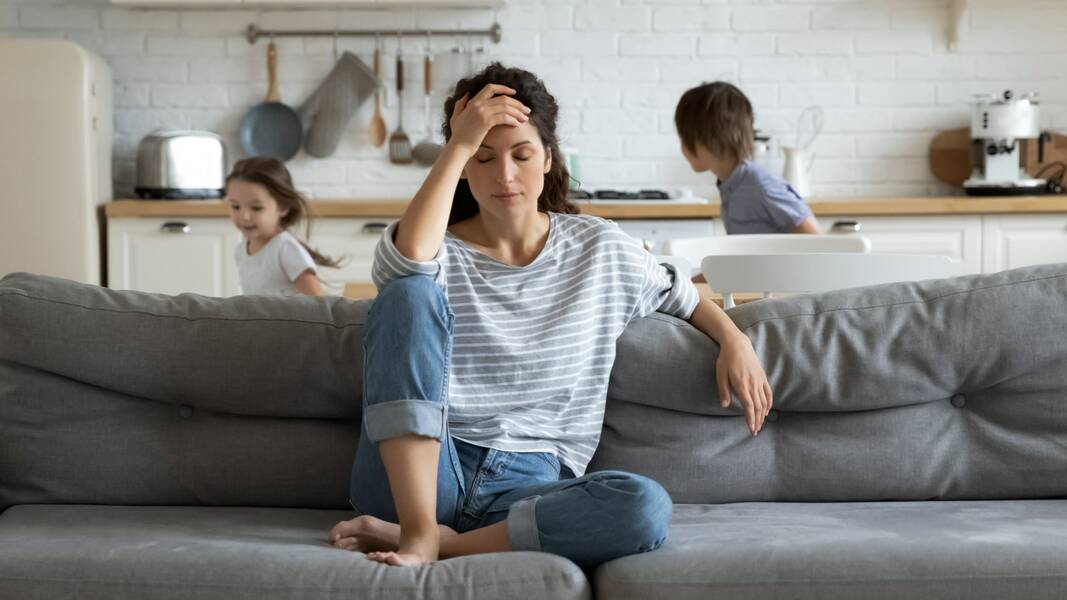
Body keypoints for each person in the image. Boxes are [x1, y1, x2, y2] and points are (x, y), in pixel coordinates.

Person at [328, 64, 773, 569]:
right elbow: (406, 263)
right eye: (483, 156)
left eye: (521, 155)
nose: (504, 176)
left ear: (547, 159)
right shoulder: (435, 250)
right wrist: (457, 141)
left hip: (529, 485)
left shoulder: (599, 249)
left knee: (644, 506)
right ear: (463, 165)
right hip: (422, 467)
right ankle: (418, 526)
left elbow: (686, 298)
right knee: (407, 294)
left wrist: (735, 340)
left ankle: (437, 542)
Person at [675, 81, 820, 235]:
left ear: (712, 139)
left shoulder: (761, 185)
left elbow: (815, 238)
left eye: (685, 138)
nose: (682, 148)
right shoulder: (731, 184)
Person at [225, 157, 340, 296]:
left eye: (256, 208)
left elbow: (320, 302)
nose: (244, 216)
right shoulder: (241, 249)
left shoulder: (286, 249)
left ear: (283, 207)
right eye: (235, 206)